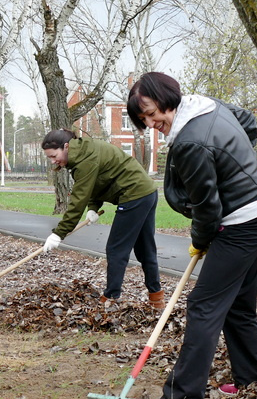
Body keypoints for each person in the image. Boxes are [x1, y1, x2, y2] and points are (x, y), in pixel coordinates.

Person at [127, 72, 257, 399]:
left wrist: (200, 240)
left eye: (152, 113)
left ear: (167, 98)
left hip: (242, 224)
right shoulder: (206, 106)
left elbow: (207, 208)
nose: (152, 124)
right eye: (144, 119)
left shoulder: (190, 141)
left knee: (203, 306)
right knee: (238, 304)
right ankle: (253, 379)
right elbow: (248, 123)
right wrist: (235, 168)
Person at [40, 128, 165, 308]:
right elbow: (98, 181)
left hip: (133, 194)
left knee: (116, 249)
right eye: (50, 158)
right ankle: (156, 297)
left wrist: (59, 233)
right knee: (145, 248)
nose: (54, 161)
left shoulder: (84, 160)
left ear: (66, 146)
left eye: (54, 155)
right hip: (146, 192)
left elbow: (78, 200)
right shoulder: (85, 151)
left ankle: (111, 298)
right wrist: (93, 207)